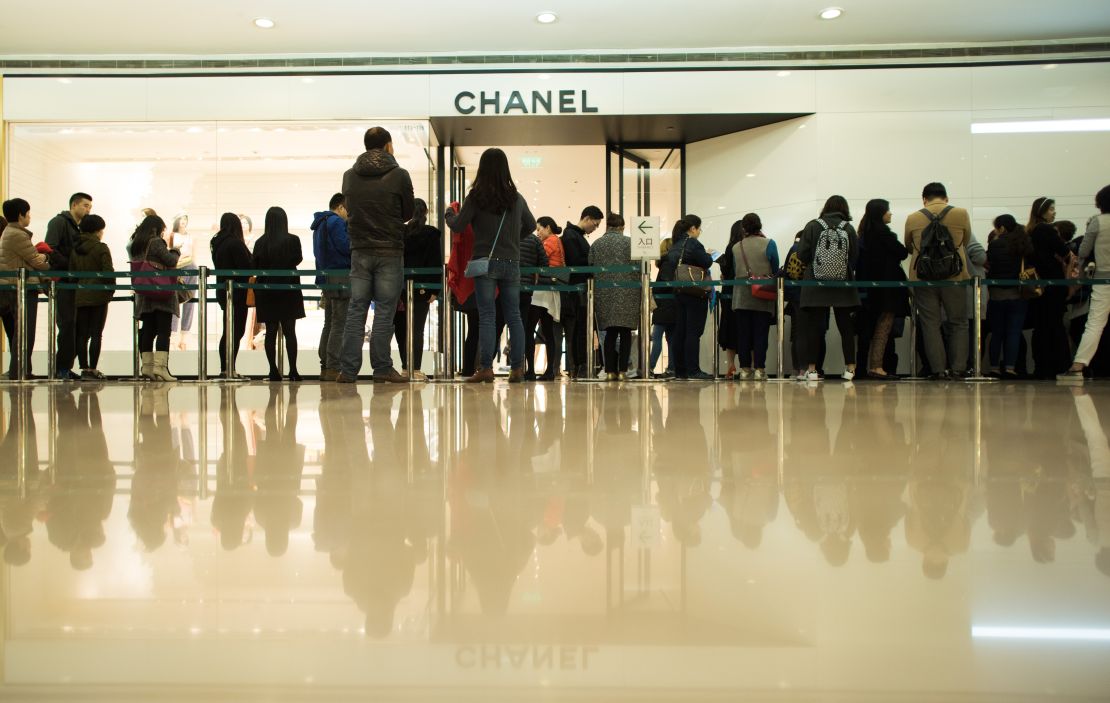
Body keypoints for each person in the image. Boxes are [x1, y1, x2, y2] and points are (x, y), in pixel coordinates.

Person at [445, 147, 537, 383]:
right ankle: (517, 368)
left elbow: (458, 225)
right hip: (511, 263)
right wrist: (514, 240)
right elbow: (531, 224)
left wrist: (448, 214)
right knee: (514, 315)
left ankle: (486, 367)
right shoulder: (516, 198)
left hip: (485, 262)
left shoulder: (476, 196)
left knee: (487, 315)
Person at [338, 126, 415, 383]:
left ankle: (347, 370)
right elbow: (407, 214)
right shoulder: (399, 175)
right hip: (390, 250)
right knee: (384, 310)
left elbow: (350, 209)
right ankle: (382, 368)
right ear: (388, 146)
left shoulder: (349, 176)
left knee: (356, 309)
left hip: (359, 250)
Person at [905, 182, 973, 379]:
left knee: (930, 324)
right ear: (946, 197)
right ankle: (958, 368)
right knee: (958, 322)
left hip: (923, 278)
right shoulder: (961, 214)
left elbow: (909, 246)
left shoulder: (914, 217)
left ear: (924, 199)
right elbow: (964, 242)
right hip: (955, 277)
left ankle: (938, 370)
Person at [797, 196, 860, 381]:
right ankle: (850, 369)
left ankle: (813, 370)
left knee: (814, 327)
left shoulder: (812, 226)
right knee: (845, 327)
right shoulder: (848, 228)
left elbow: (801, 254)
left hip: (816, 284)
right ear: (844, 209)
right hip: (842, 284)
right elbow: (855, 255)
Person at [1060, 185, 1110, 380]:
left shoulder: (1098, 222)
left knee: (1095, 323)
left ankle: (1078, 366)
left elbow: (1083, 251)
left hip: (1103, 278)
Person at [856, 199, 909, 378]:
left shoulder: (864, 234)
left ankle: (864, 367)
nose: (890, 213)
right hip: (887, 290)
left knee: (868, 330)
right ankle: (877, 366)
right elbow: (902, 252)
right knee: (883, 328)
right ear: (880, 213)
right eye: (888, 210)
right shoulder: (884, 234)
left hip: (869, 290)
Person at [252, 207, 305, 382]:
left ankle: (273, 371)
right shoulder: (293, 240)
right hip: (289, 290)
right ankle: (294, 371)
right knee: (290, 332)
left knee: (271, 331)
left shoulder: (260, 242)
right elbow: (297, 259)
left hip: (267, 291)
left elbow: (255, 265)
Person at [45, 192, 92, 380]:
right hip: (64, 282)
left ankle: (65, 366)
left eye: (90, 207)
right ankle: (60, 368)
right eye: (85, 205)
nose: (88, 209)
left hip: (76, 282)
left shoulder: (80, 227)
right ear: (74, 205)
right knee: (67, 324)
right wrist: (69, 265)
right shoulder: (59, 222)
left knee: (76, 326)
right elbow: (50, 248)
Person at [0, 199, 49, 380]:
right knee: (24, 332)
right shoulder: (17, 234)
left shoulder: (10, 232)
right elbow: (36, 260)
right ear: (21, 215)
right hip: (21, 288)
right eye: (28, 213)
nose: (29, 216)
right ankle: (18, 371)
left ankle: (21, 370)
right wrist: (46, 256)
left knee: (20, 332)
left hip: (14, 285)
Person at [393, 198, 441, 381]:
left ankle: (405, 367)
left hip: (399, 288)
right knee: (417, 329)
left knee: (401, 329)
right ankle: (416, 369)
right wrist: (435, 290)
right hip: (422, 289)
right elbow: (435, 263)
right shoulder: (431, 234)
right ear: (426, 213)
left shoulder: (400, 233)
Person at [1026, 197, 1074, 378]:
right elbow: (1065, 252)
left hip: (1037, 285)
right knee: (1055, 326)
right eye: (1052, 209)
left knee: (1041, 327)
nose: (1054, 212)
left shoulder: (1030, 230)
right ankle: (1059, 365)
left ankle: (1042, 366)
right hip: (1053, 284)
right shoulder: (1046, 230)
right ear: (1043, 211)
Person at [128, 214, 180, 381]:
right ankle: (161, 368)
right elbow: (170, 261)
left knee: (148, 330)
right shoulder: (156, 242)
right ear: (156, 228)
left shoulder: (135, 244)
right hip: (160, 292)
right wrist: (176, 250)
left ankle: (147, 367)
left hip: (144, 293)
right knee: (164, 331)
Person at [589, 213, 640, 380]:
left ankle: (610, 371)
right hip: (628, 293)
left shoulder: (597, 244)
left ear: (607, 226)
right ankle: (623, 371)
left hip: (605, 294)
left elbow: (590, 266)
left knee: (609, 333)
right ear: (622, 227)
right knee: (625, 333)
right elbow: (639, 267)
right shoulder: (631, 243)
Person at [663, 215, 713, 380]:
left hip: (678, 292)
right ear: (693, 229)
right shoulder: (693, 243)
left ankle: (680, 370)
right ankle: (693, 369)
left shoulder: (675, 245)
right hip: (694, 292)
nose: (699, 232)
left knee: (680, 331)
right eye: (699, 229)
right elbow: (706, 262)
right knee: (693, 331)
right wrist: (708, 254)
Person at [731, 212, 779, 381]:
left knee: (743, 334)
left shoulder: (736, 247)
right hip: (762, 293)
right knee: (760, 333)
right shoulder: (769, 244)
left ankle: (744, 369)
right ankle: (760, 369)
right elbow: (775, 269)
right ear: (760, 225)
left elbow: (735, 269)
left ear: (744, 228)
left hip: (741, 295)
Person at [985, 214, 1033, 378]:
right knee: (1013, 332)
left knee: (997, 332)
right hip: (1017, 293)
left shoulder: (994, 245)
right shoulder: (1022, 244)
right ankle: (1010, 367)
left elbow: (989, 263)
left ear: (1002, 228)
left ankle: (994, 367)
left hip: (997, 294)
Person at [561, 206, 603, 378]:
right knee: (581, 328)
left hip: (582, 290)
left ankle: (581, 365)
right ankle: (580, 365)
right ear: (586, 218)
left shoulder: (576, 236)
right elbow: (575, 262)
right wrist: (593, 259)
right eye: (595, 224)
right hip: (578, 290)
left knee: (582, 328)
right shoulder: (571, 236)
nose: (595, 228)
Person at [70, 214, 114, 380]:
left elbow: (72, 273)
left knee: (81, 334)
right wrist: (110, 291)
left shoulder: (76, 248)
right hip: (99, 295)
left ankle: (84, 368)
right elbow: (108, 273)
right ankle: (93, 369)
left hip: (80, 294)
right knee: (96, 333)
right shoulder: (101, 247)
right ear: (97, 231)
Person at [312, 193, 351, 381]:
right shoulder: (335, 222)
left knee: (329, 322)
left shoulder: (320, 223)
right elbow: (345, 247)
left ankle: (326, 365)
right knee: (339, 323)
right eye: (348, 210)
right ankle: (334, 366)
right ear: (341, 207)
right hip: (340, 277)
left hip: (326, 278)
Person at [210, 213, 253, 378]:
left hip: (223, 290)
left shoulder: (216, 242)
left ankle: (225, 369)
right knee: (236, 331)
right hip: (237, 292)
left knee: (228, 331)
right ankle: (230, 370)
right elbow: (246, 266)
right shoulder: (235, 243)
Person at [512, 217, 548, 380]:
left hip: (508, 288)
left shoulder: (508, 238)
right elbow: (544, 264)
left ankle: (509, 366)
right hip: (527, 291)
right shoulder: (534, 240)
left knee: (504, 327)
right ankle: (530, 370)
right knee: (525, 330)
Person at [533, 216, 565, 380]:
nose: (537, 233)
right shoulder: (556, 240)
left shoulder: (550, 241)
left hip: (545, 287)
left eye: (539, 229)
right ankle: (551, 369)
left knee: (546, 331)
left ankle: (548, 369)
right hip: (551, 287)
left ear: (548, 228)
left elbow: (539, 259)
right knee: (549, 332)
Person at [718, 221, 744, 377]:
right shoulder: (745, 247)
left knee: (729, 328)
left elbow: (727, 270)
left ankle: (731, 365)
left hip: (729, 293)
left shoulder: (731, 247)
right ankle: (750, 366)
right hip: (745, 293)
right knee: (746, 328)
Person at [649, 238, 676, 378]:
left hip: (663, 306)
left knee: (657, 337)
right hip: (672, 305)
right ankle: (672, 368)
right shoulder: (673, 263)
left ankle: (650, 367)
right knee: (670, 338)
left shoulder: (665, 263)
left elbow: (665, 284)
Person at [170, 214, 197, 351]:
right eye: (181, 219)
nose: (183, 222)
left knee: (190, 299)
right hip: (177, 267)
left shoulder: (191, 237)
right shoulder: (171, 235)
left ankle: (184, 336)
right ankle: (173, 334)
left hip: (190, 266)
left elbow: (193, 254)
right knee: (176, 298)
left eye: (186, 219)